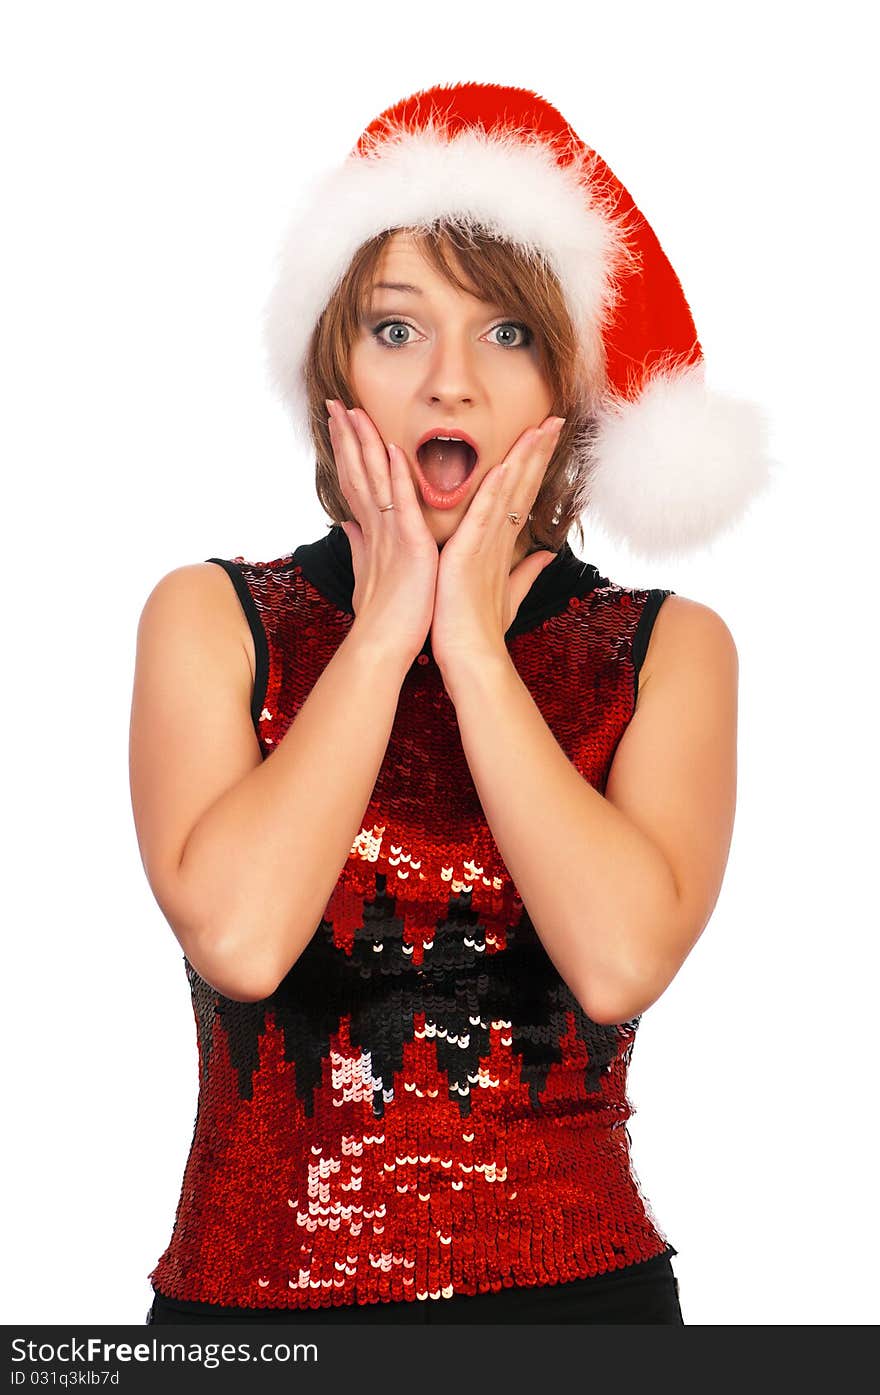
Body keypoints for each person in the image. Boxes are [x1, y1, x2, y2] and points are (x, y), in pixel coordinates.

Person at [128, 81, 773, 1326]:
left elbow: (620, 962)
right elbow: (243, 941)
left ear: (573, 380)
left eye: (509, 335)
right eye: (398, 328)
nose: (452, 386)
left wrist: (472, 645)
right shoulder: (211, 621)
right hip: (247, 1321)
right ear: (337, 365)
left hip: (579, 1313)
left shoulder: (667, 652)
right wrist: (383, 633)